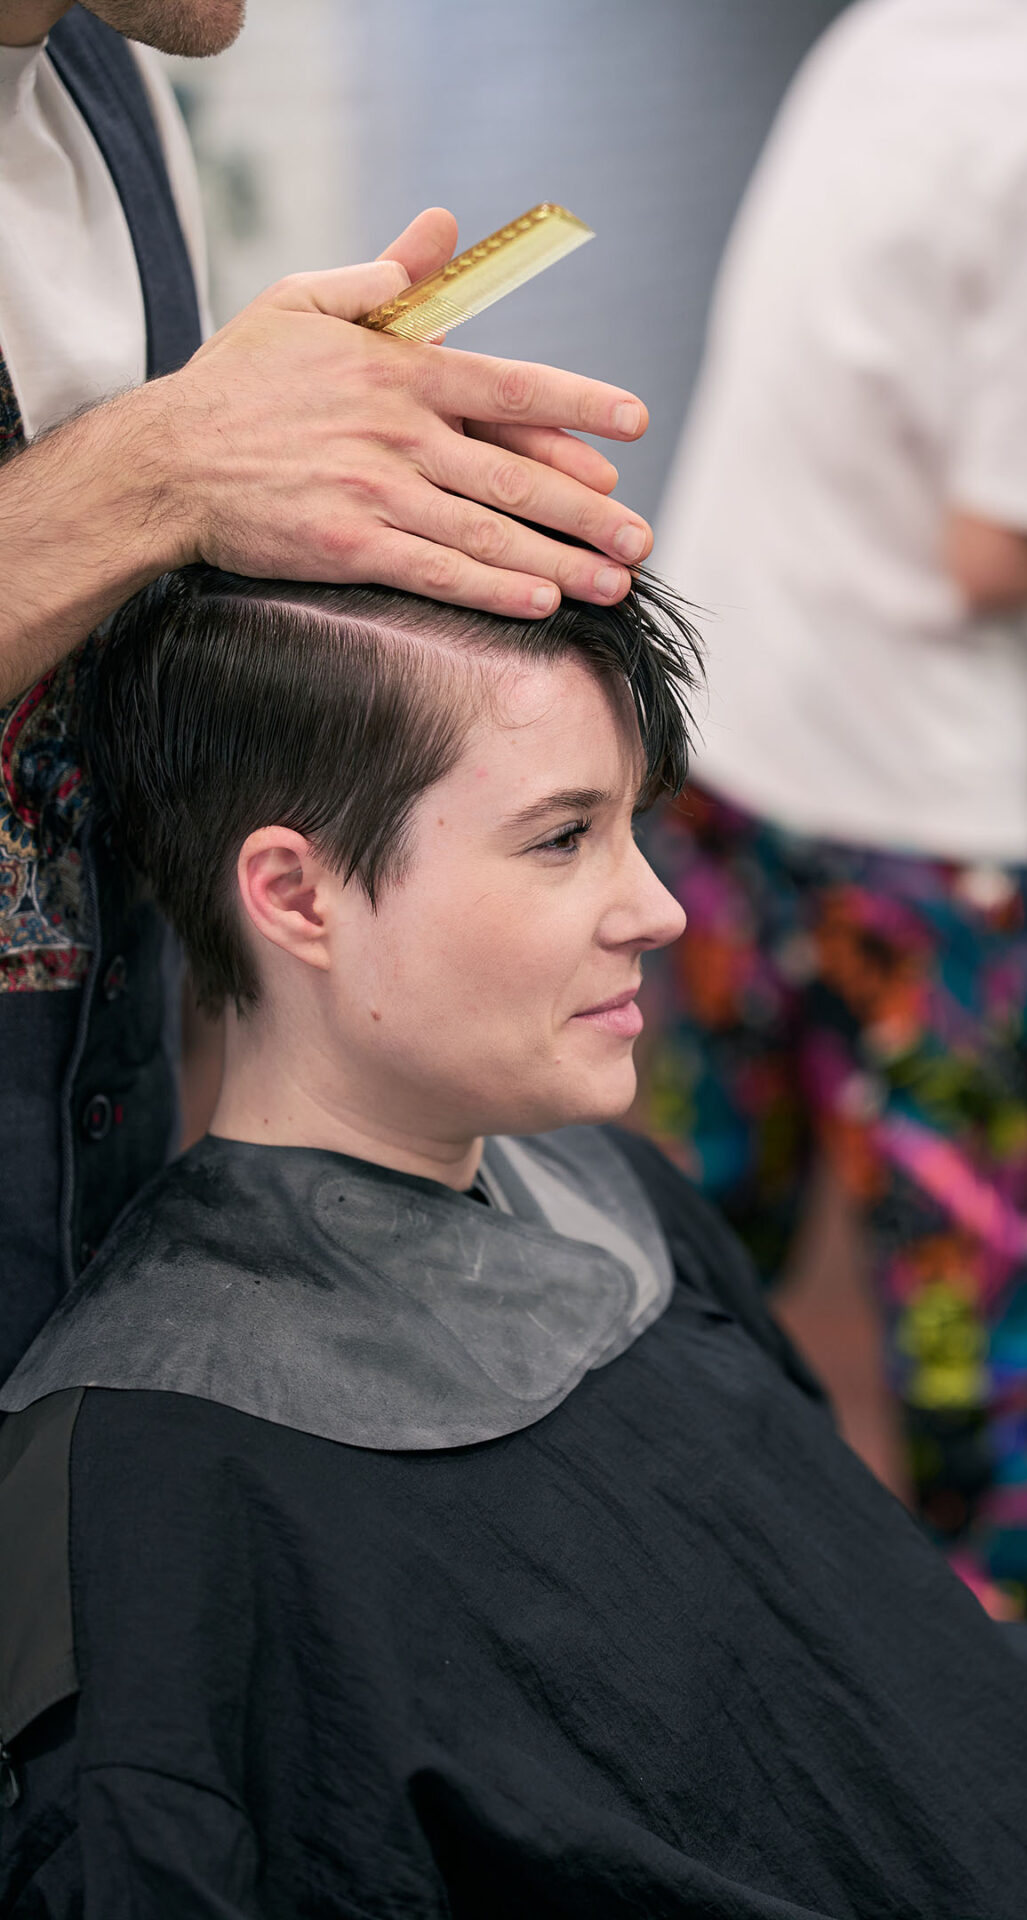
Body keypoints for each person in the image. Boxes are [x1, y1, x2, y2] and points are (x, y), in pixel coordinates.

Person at [1, 564, 1027, 1917]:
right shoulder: (156, 1479)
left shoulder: (614, 1193)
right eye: (564, 839)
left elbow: (902, 1668)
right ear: (297, 895)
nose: (659, 910)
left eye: (634, 827)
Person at [643, 0, 1027, 1621]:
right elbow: (1002, 544)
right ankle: (1005, 1761)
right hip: (908, 821)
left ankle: (637, 1631)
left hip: (724, 727)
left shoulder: (927, 24)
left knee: (678, 1262)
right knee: (980, 1369)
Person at [0, 0, 655, 1380]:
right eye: (561, 836)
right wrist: (166, 465)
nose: (658, 910)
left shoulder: (104, 86)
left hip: (85, 1191)